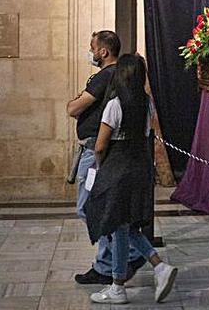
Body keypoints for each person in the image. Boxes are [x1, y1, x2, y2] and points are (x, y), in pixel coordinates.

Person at [83, 54, 178, 304]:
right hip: (140, 169)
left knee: (113, 222)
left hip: (118, 169)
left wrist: (101, 168)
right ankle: (155, 268)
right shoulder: (147, 103)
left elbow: (101, 144)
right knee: (124, 226)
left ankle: (119, 286)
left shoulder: (115, 104)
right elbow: (147, 132)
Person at [66, 31, 146, 285]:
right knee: (105, 211)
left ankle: (114, 261)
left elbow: (73, 108)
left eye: (92, 47)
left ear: (103, 51)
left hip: (97, 153)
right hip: (118, 156)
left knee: (93, 209)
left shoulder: (104, 77)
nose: (90, 52)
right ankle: (119, 258)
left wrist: (76, 100)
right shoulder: (121, 82)